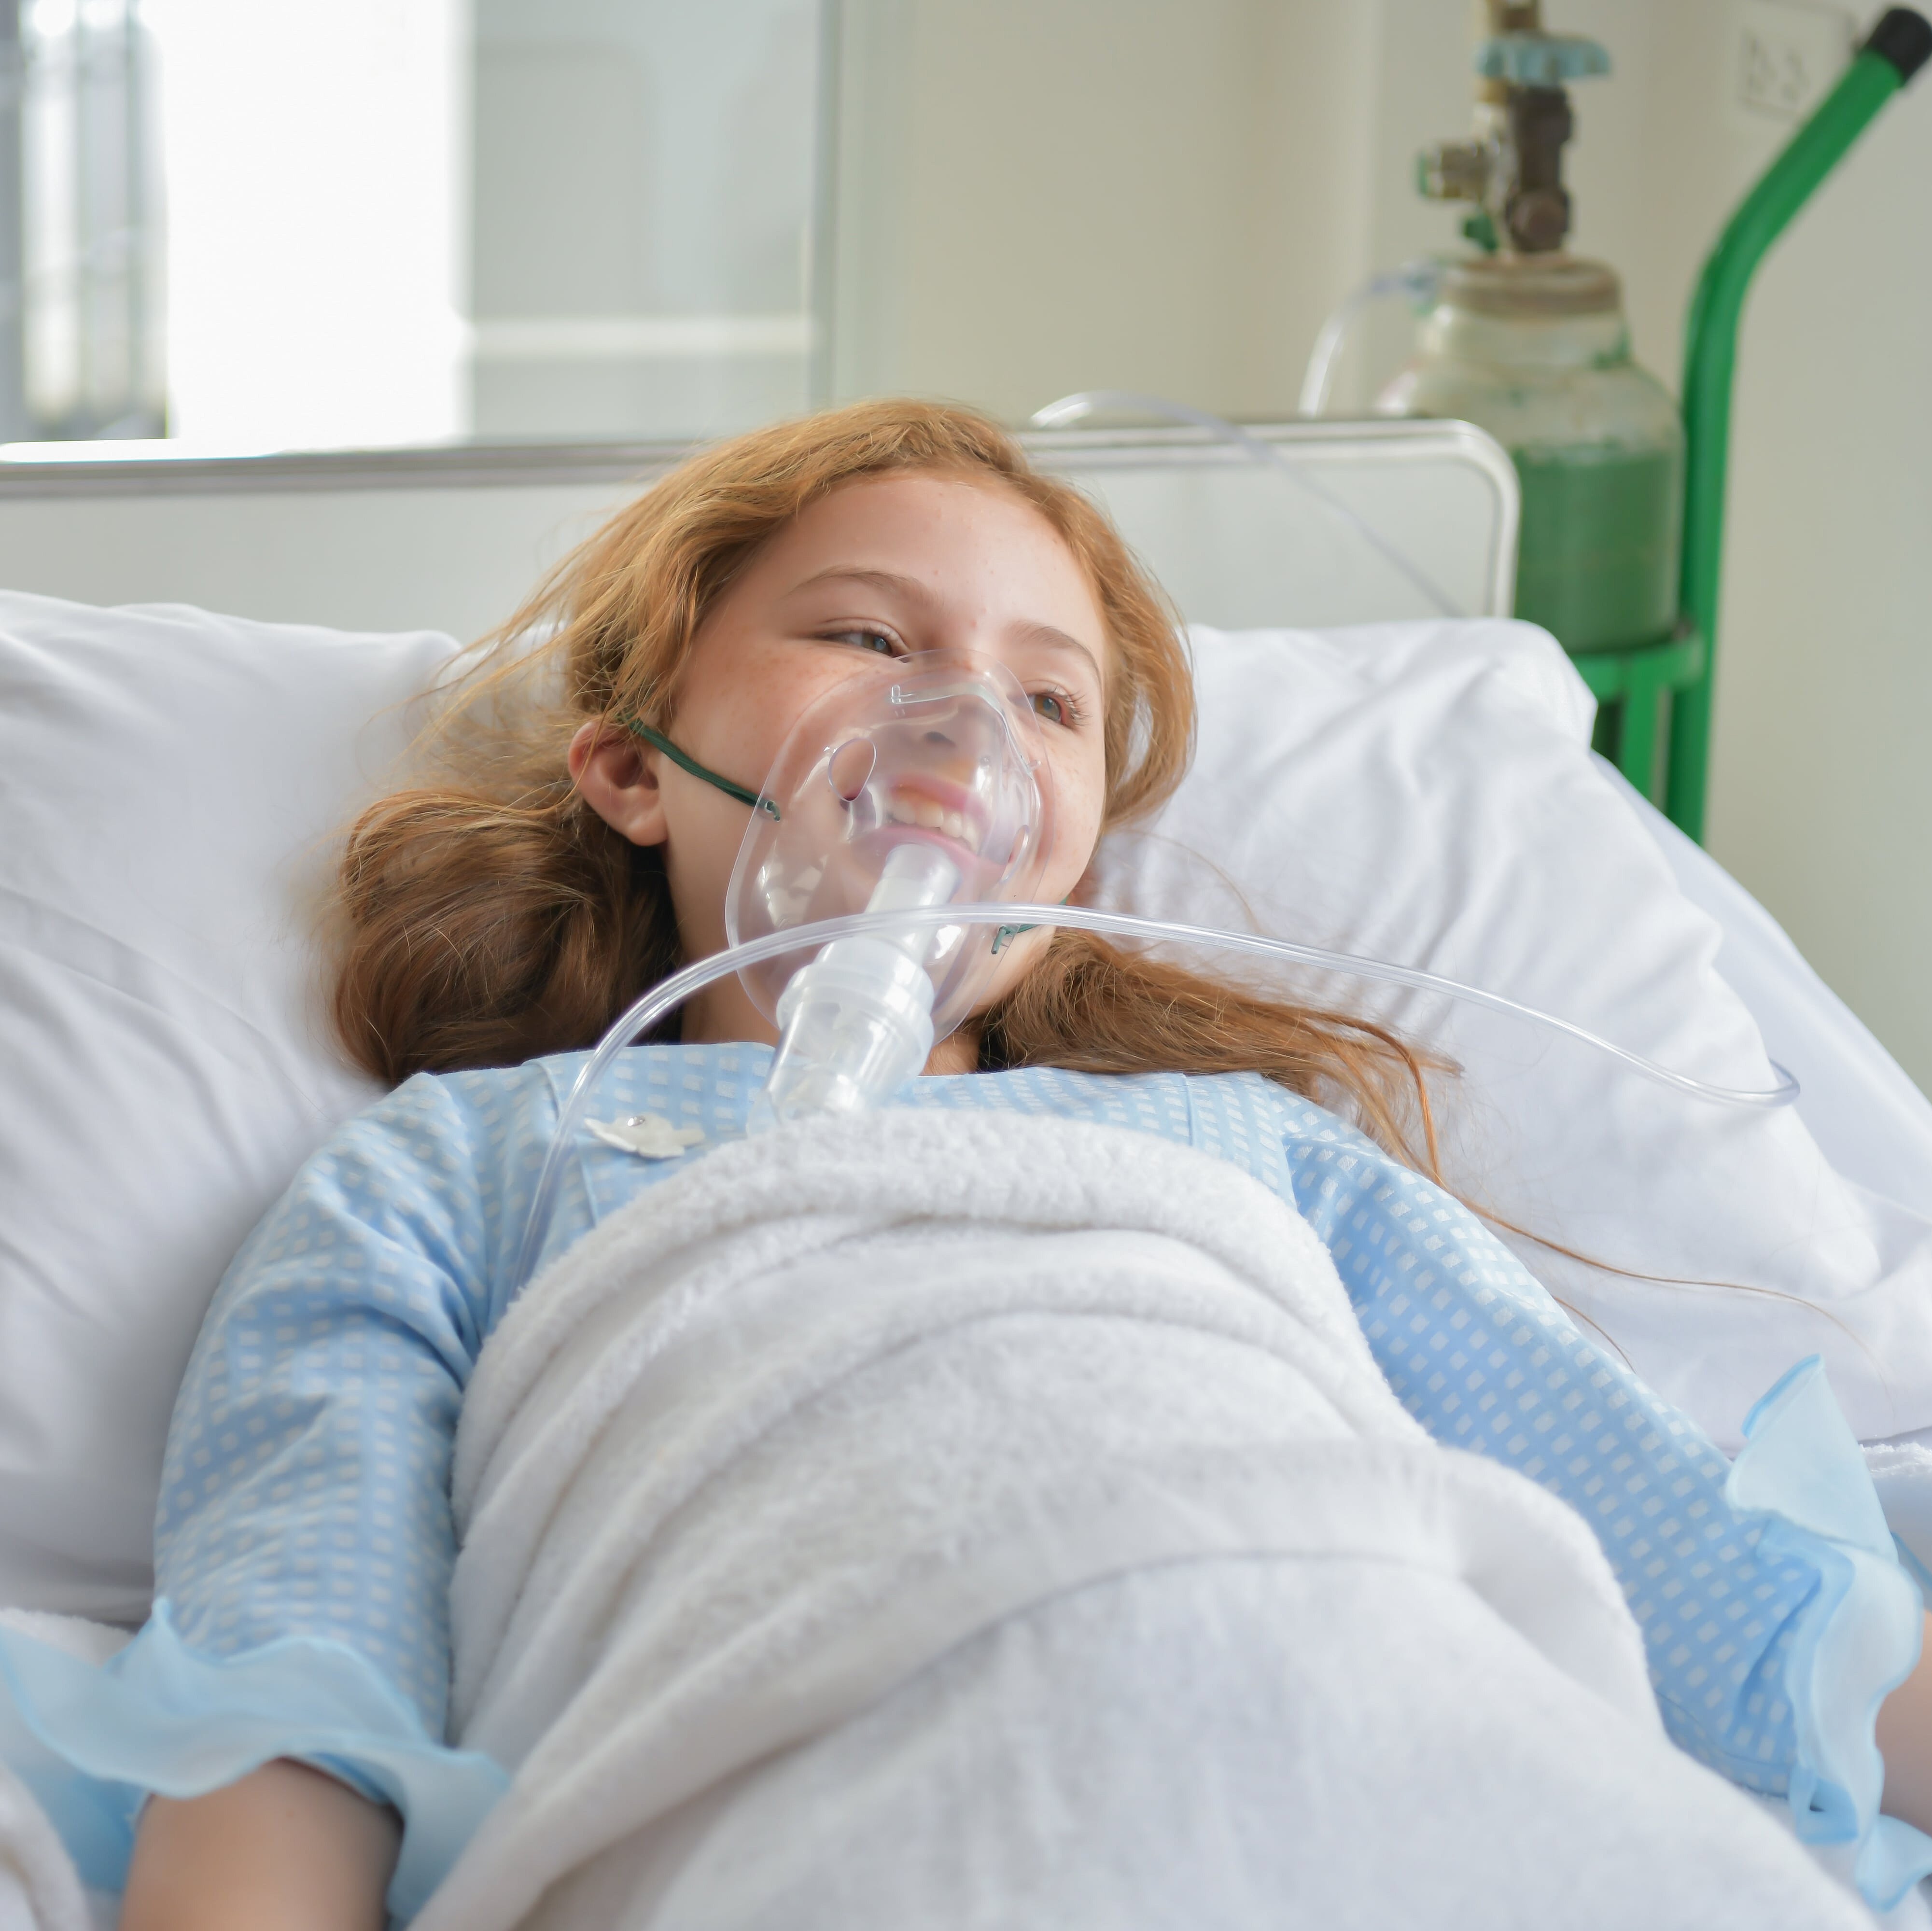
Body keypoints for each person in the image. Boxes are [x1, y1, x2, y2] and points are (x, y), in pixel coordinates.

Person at [9, 401, 1932, 1930]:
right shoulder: (459, 1166)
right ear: (627, 763)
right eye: (864, 635)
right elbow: (289, 1679)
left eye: (1048, 699)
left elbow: (1696, 1568)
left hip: (1374, 1695)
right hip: (827, 1780)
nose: (963, 731)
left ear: (1072, 852)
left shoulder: (1244, 1152)